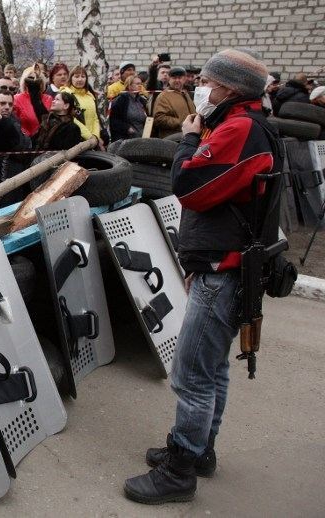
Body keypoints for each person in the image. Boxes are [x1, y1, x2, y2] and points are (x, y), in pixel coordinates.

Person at [124, 48, 280, 505]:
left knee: (192, 374)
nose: (199, 88)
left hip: (225, 268)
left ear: (229, 89)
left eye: (207, 82)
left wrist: (190, 141)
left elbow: (190, 189)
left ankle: (180, 470)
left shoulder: (239, 128)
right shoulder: (253, 124)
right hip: (224, 263)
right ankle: (199, 450)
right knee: (211, 369)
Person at [0, 87, 33, 207]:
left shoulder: (16, 124)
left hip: (13, 177)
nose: (7, 107)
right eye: (2, 103)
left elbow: (22, 148)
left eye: (10, 104)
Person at [152, 66, 196, 138]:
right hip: (172, 138)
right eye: (174, 78)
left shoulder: (185, 94)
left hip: (188, 135)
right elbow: (158, 118)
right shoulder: (164, 96)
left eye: (180, 78)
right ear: (169, 79)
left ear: (184, 79)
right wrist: (180, 122)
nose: (177, 80)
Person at [63, 65, 103, 142]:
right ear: (71, 78)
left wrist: (95, 136)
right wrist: (89, 136)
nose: (80, 79)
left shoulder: (89, 95)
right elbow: (71, 118)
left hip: (92, 140)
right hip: (75, 138)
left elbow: (95, 118)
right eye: (77, 76)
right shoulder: (66, 93)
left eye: (83, 76)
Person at [13, 66, 52, 142]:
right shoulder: (17, 99)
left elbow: (49, 120)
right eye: (30, 78)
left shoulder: (48, 99)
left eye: (37, 79)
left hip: (44, 141)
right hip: (26, 141)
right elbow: (15, 122)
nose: (34, 81)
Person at [109, 75, 148, 141]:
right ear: (129, 86)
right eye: (137, 84)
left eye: (141, 84)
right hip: (126, 139)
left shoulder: (142, 100)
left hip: (142, 138)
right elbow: (113, 120)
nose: (140, 86)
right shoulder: (120, 100)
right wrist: (127, 128)